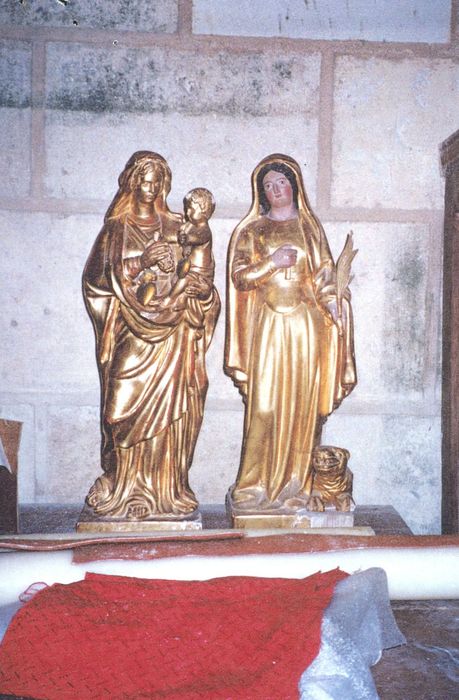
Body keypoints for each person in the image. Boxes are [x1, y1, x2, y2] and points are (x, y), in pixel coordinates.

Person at [83, 151, 220, 520]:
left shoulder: (179, 226)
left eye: (158, 181)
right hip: (131, 331)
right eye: (145, 179)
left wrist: (200, 292)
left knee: (172, 415)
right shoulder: (115, 230)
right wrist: (141, 262)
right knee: (118, 411)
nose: (151, 186)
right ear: (131, 182)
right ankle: (121, 485)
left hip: (173, 334)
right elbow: (96, 284)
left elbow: (203, 277)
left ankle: (164, 491)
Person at [224, 153, 356, 513]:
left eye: (281, 182)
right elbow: (239, 277)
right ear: (261, 193)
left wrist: (333, 304)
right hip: (268, 323)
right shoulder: (252, 231)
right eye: (268, 185)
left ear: (293, 185)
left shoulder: (309, 228)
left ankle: (295, 487)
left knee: (302, 407)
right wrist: (270, 263)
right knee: (264, 406)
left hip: (304, 325)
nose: (275, 189)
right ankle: (253, 488)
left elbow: (325, 276)